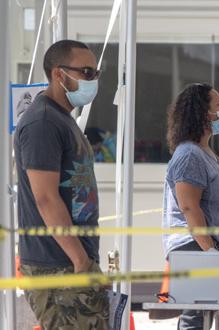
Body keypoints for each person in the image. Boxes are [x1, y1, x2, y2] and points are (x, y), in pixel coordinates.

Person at [14, 40, 108, 329]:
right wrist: (79, 260)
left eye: (96, 73)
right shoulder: (42, 122)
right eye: (87, 72)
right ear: (59, 74)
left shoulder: (61, 119)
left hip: (71, 260)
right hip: (57, 263)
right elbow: (45, 198)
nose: (93, 79)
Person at [163, 83, 219, 330]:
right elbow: (190, 208)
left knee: (208, 314)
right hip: (195, 249)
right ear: (203, 113)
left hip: (211, 248)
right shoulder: (189, 155)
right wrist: (210, 252)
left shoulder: (206, 152)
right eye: (218, 104)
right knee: (195, 317)